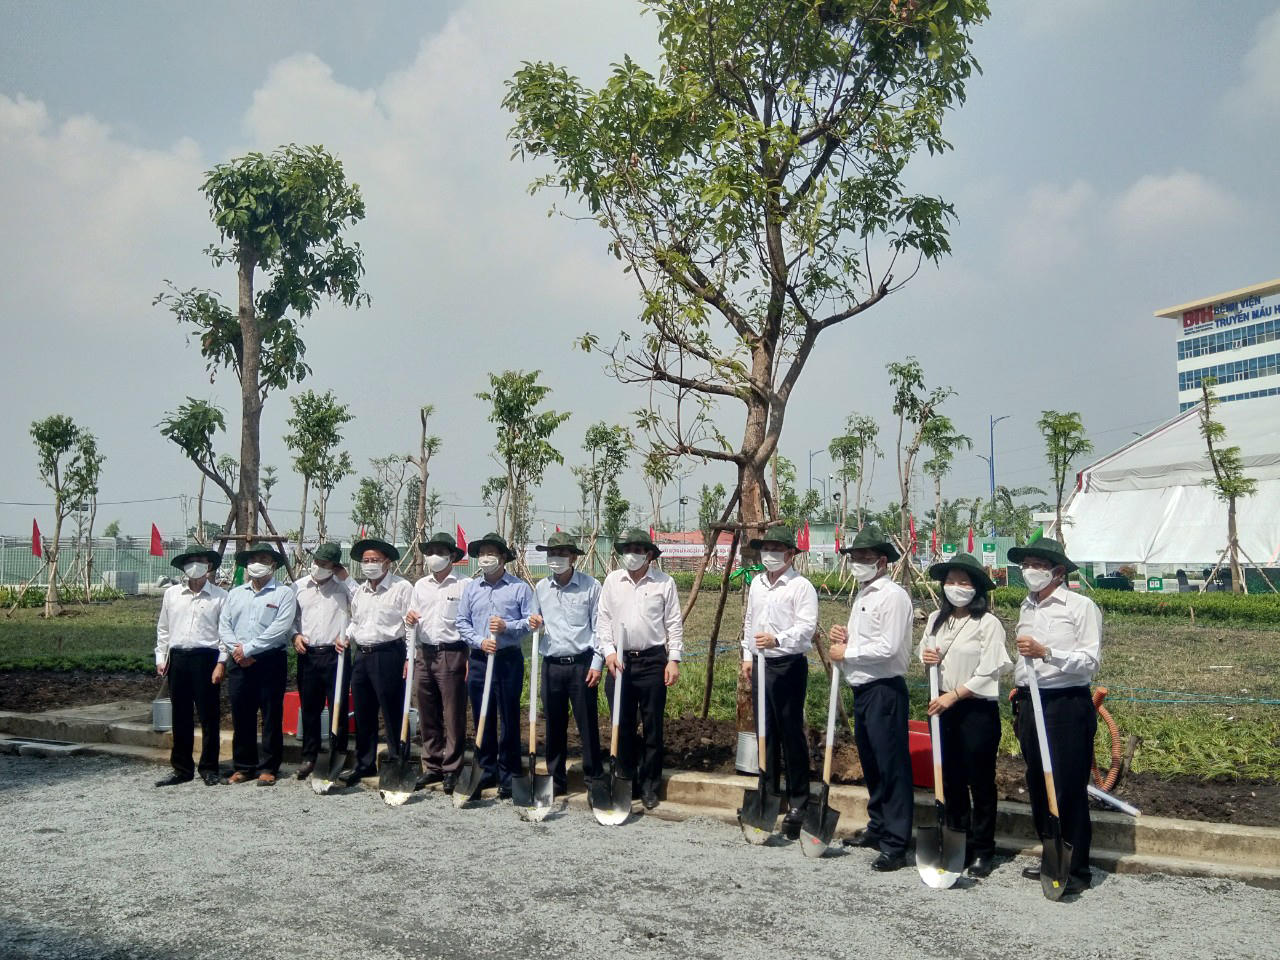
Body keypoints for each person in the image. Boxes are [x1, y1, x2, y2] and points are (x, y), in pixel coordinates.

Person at [1007, 538, 1102, 896]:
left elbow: (1089, 662)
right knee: (1038, 781)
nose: (1029, 570)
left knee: (1067, 785)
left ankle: (1076, 868)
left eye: (1038, 564)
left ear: (1058, 571)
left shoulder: (1080, 607)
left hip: (1066, 705)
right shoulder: (1026, 606)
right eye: (1026, 564)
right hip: (1031, 702)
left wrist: (1047, 653)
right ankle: (1052, 858)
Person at [918, 552, 1012, 878]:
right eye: (951, 581)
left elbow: (990, 670)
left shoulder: (987, 623)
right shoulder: (936, 619)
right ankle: (956, 839)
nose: (956, 587)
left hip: (975, 710)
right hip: (940, 706)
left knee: (980, 781)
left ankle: (983, 848)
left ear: (976, 588)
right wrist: (926, 657)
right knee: (950, 778)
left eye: (964, 582)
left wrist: (955, 695)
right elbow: (923, 651)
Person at [827, 525, 913, 871]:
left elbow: (888, 647)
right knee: (873, 764)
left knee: (891, 766)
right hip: (862, 689)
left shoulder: (892, 596)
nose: (858, 563)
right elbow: (865, 640)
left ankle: (896, 842)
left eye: (865, 557)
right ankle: (878, 826)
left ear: (882, 561)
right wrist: (844, 636)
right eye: (855, 557)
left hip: (884, 690)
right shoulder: (863, 594)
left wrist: (847, 652)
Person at [595, 527, 682, 810]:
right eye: (627, 549)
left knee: (653, 725)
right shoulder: (612, 581)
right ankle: (625, 779)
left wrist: (673, 659)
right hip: (619, 662)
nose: (631, 555)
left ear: (649, 555)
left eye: (637, 550)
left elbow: (673, 623)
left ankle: (649, 785)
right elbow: (603, 620)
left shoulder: (664, 583)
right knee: (622, 725)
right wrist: (608, 653)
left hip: (653, 660)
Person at [740, 525, 817, 835]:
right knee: (765, 731)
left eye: (776, 549)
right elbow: (750, 620)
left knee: (790, 732)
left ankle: (799, 800)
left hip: (787, 665)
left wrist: (778, 639)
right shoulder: (758, 584)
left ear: (790, 554)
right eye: (765, 548)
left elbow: (806, 627)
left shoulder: (801, 587)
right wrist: (747, 654)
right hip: (760, 664)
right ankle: (767, 792)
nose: (769, 554)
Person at [456, 532, 535, 800]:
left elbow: (530, 622)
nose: (485, 558)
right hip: (480, 659)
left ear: (502, 558)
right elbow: (462, 622)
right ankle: (486, 769)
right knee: (482, 715)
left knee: (509, 717)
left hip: (508, 660)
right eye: (482, 553)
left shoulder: (519, 588)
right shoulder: (471, 589)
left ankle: (509, 772)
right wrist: (479, 642)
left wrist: (506, 626)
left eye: (491, 553)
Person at [528, 531, 603, 798]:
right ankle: (555, 778)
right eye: (552, 553)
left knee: (587, 725)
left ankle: (594, 779)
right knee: (554, 725)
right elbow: (534, 621)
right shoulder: (541, 588)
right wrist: (533, 622)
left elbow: (600, 628)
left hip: (581, 665)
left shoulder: (591, 586)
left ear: (573, 557)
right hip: (551, 666)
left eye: (562, 553)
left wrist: (597, 662)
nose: (556, 558)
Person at [218, 542, 297, 785]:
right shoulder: (235, 594)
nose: (257, 564)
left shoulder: (283, 593)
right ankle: (244, 766)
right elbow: (224, 625)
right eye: (253, 560)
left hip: (269, 660)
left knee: (271, 715)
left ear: (273, 565)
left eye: (263, 559)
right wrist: (237, 650)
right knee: (242, 714)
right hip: (239, 661)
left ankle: (269, 767)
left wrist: (249, 649)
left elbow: (280, 628)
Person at [154, 548, 228, 787]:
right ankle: (182, 768)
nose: (195, 565)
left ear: (209, 566)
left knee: (209, 715)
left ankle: (209, 767)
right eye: (191, 561)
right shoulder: (172, 594)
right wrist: (161, 657)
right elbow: (163, 628)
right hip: (178, 658)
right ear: (183, 567)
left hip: (206, 658)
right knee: (180, 715)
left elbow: (225, 634)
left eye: (200, 561)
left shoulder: (220, 596)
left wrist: (221, 662)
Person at [343, 538, 413, 786]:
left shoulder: (401, 588)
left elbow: (410, 625)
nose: (369, 564)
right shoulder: (361, 592)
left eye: (375, 560)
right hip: (362, 655)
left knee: (393, 712)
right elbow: (356, 622)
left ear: (387, 562)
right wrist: (346, 637)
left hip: (389, 654)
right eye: (366, 560)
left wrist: (409, 657)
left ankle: (397, 763)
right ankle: (364, 763)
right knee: (363, 712)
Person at [405, 532, 469, 795]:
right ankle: (432, 764)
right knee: (427, 710)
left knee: (453, 713)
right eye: (430, 552)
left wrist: (468, 656)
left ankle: (452, 767)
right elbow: (411, 621)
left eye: (441, 552)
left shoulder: (464, 585)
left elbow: (470, 623)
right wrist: (410, 653)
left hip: (452, 653)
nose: (434, 557)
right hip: (424, 653)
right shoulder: (420, 586)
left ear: (452, 556)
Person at [291, 542, 356, 780]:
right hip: (308, 653)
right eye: (316, 562)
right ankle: (310, 756)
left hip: (336, 653)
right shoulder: (299, 587)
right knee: (310, 707)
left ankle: (338, 752)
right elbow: (292, 618)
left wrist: (347, 635)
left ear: (334, 567)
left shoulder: (344, 587)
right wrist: (295, 636)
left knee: (338, 705)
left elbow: (361, 609)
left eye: (324, 564)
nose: (318, 567)